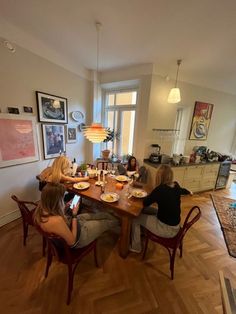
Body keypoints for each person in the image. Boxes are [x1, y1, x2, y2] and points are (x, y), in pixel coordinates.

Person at [34, 183, 120, 249]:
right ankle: (120, 223)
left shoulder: (41, 210)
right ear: (55, 201)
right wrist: (74, 214)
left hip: (71, 223)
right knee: (105, 223)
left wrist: (66, 206)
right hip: (80, 237)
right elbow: (72, 242)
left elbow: (59, 216)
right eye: (62, 198)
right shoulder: (57, 220)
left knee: (99, 215)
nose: (63, 200)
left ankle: (116, 219)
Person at [130, 164, 192, 253]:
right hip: (175, 226)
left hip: (166, 229)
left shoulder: (160, 190)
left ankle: (135, 247)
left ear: (159, 176)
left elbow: (145, 203)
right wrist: (189, 192)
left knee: (135, 218)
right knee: (148, 210)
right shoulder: (176, 185)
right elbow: (182, 190)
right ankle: (142, 231)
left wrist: (141, 195)